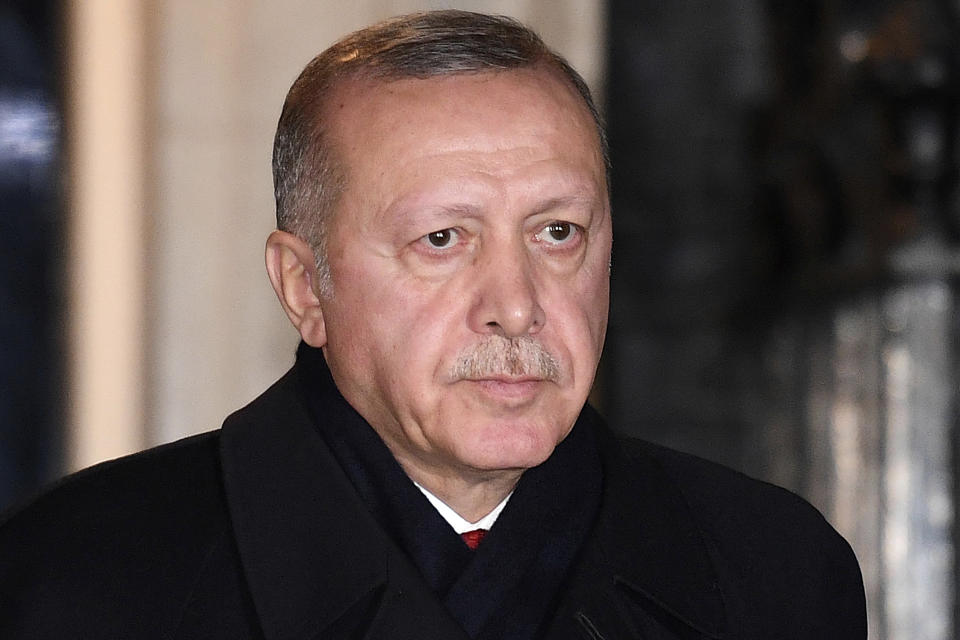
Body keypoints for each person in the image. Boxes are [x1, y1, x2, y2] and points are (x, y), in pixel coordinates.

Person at [0, 10, 866, 639]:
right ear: (306, 288)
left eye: (557, 232)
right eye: (443, 239)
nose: (517, 303)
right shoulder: (79, 580)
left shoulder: (772, 571)